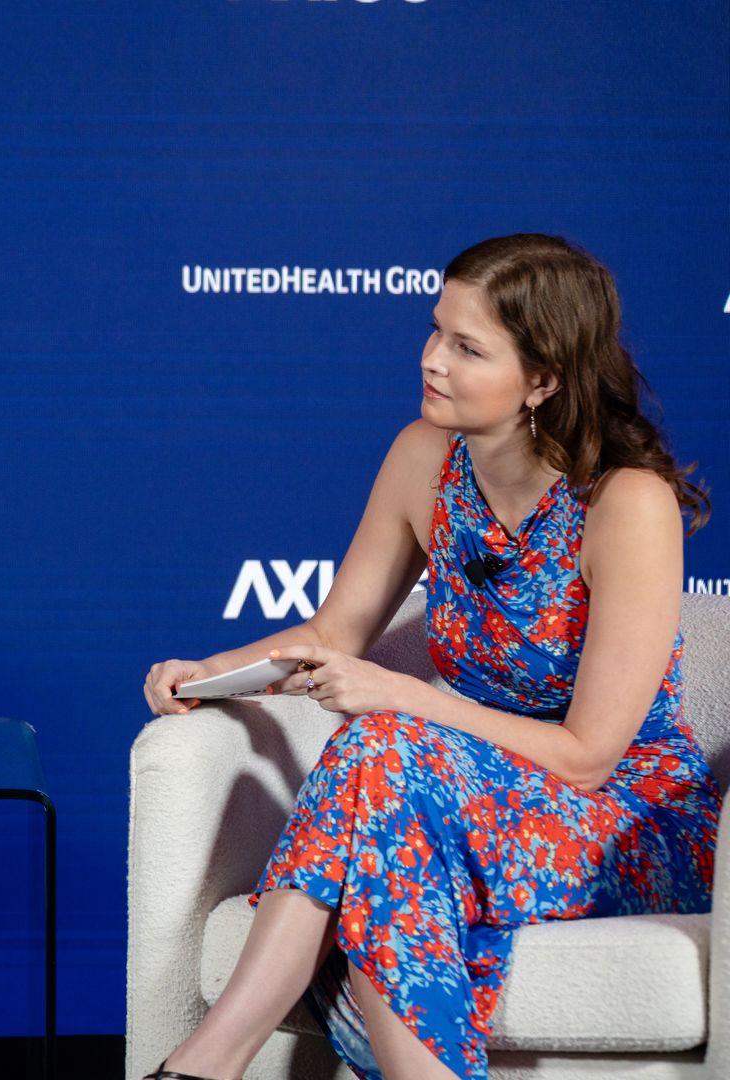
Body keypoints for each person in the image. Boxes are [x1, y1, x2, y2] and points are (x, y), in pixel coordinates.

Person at [140, 234, 719, 1080]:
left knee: (382, 749)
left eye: (467, 347)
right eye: (436, 329)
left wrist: (399, 694)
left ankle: (202, 1066)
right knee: (384, 776)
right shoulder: (423, 458)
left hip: (625, 820)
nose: (432, 359)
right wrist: (212, 672)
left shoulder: (626, 502)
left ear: (544, 379)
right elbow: (335, 632)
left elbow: (589, 757)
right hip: (465, 791)